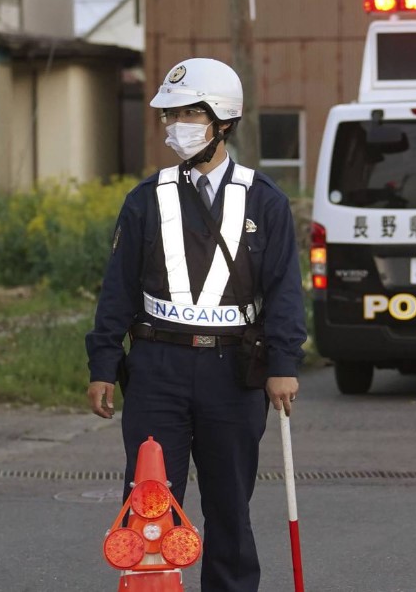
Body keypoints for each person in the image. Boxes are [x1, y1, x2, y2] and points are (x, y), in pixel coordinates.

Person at [86, 57, 307, 592]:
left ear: (222, 121)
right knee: (149, 502)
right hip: (157, 367)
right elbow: (117, 289)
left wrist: (283, 364)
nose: (174, 125)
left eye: (188, 113)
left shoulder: (265, 200)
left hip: (234, 371)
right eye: (170, 114)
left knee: (230, 506)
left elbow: (283, 290)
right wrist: (102, 364)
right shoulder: (146, 199)